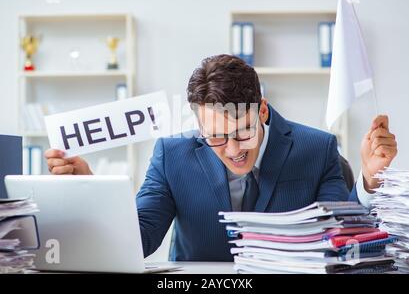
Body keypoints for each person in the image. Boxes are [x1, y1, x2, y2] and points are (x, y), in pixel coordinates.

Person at [45, 54, 397, 261]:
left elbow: (341, 238)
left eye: (243, 130)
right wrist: (93, 191)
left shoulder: (316, 148)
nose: (233, 150)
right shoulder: (171, 156)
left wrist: (368, 180)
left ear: (261, 111)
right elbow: (137, 240)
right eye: (214, 135)